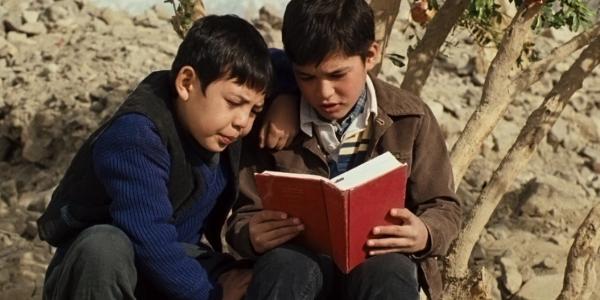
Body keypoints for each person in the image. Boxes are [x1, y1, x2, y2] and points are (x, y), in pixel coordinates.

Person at [225, 0, 461, 299]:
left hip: (378, 262)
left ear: (371, 55)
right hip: (298, 265)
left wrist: (424, 233)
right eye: (306, 78)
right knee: (285, 268)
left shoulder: (410, 118)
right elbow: (244, 212)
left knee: (389, 271)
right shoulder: (270, 124)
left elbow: (443, 205)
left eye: (337, 75)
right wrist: (252, 235)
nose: (323, 93)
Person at [38, 15, 273, 300]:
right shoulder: (135, 136)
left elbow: (296, 65)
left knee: (260, 276)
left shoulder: (221, 126)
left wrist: (282, 101)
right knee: (104, 246)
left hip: (174, 256)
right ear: (186, 83)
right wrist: (210, 294)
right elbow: (148, 236)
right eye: (235, 103)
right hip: (106, 269)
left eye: (254, 110)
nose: (243, 122)